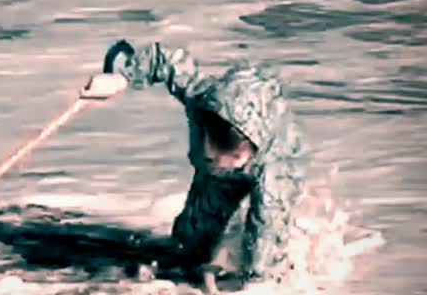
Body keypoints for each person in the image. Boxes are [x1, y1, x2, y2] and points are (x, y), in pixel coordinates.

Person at [81, 39, 304, 292]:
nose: (221, 165)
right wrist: (123, 77)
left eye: (230, 162)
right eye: (213, 157)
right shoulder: (201, 99)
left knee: (263, 244)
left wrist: (257, 281)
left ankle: (253, 262)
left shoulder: (274, 170)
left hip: (270, 164)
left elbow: (269, 224)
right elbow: (164, 59)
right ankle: (209, 252)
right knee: (190, 243)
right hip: (227, 137)